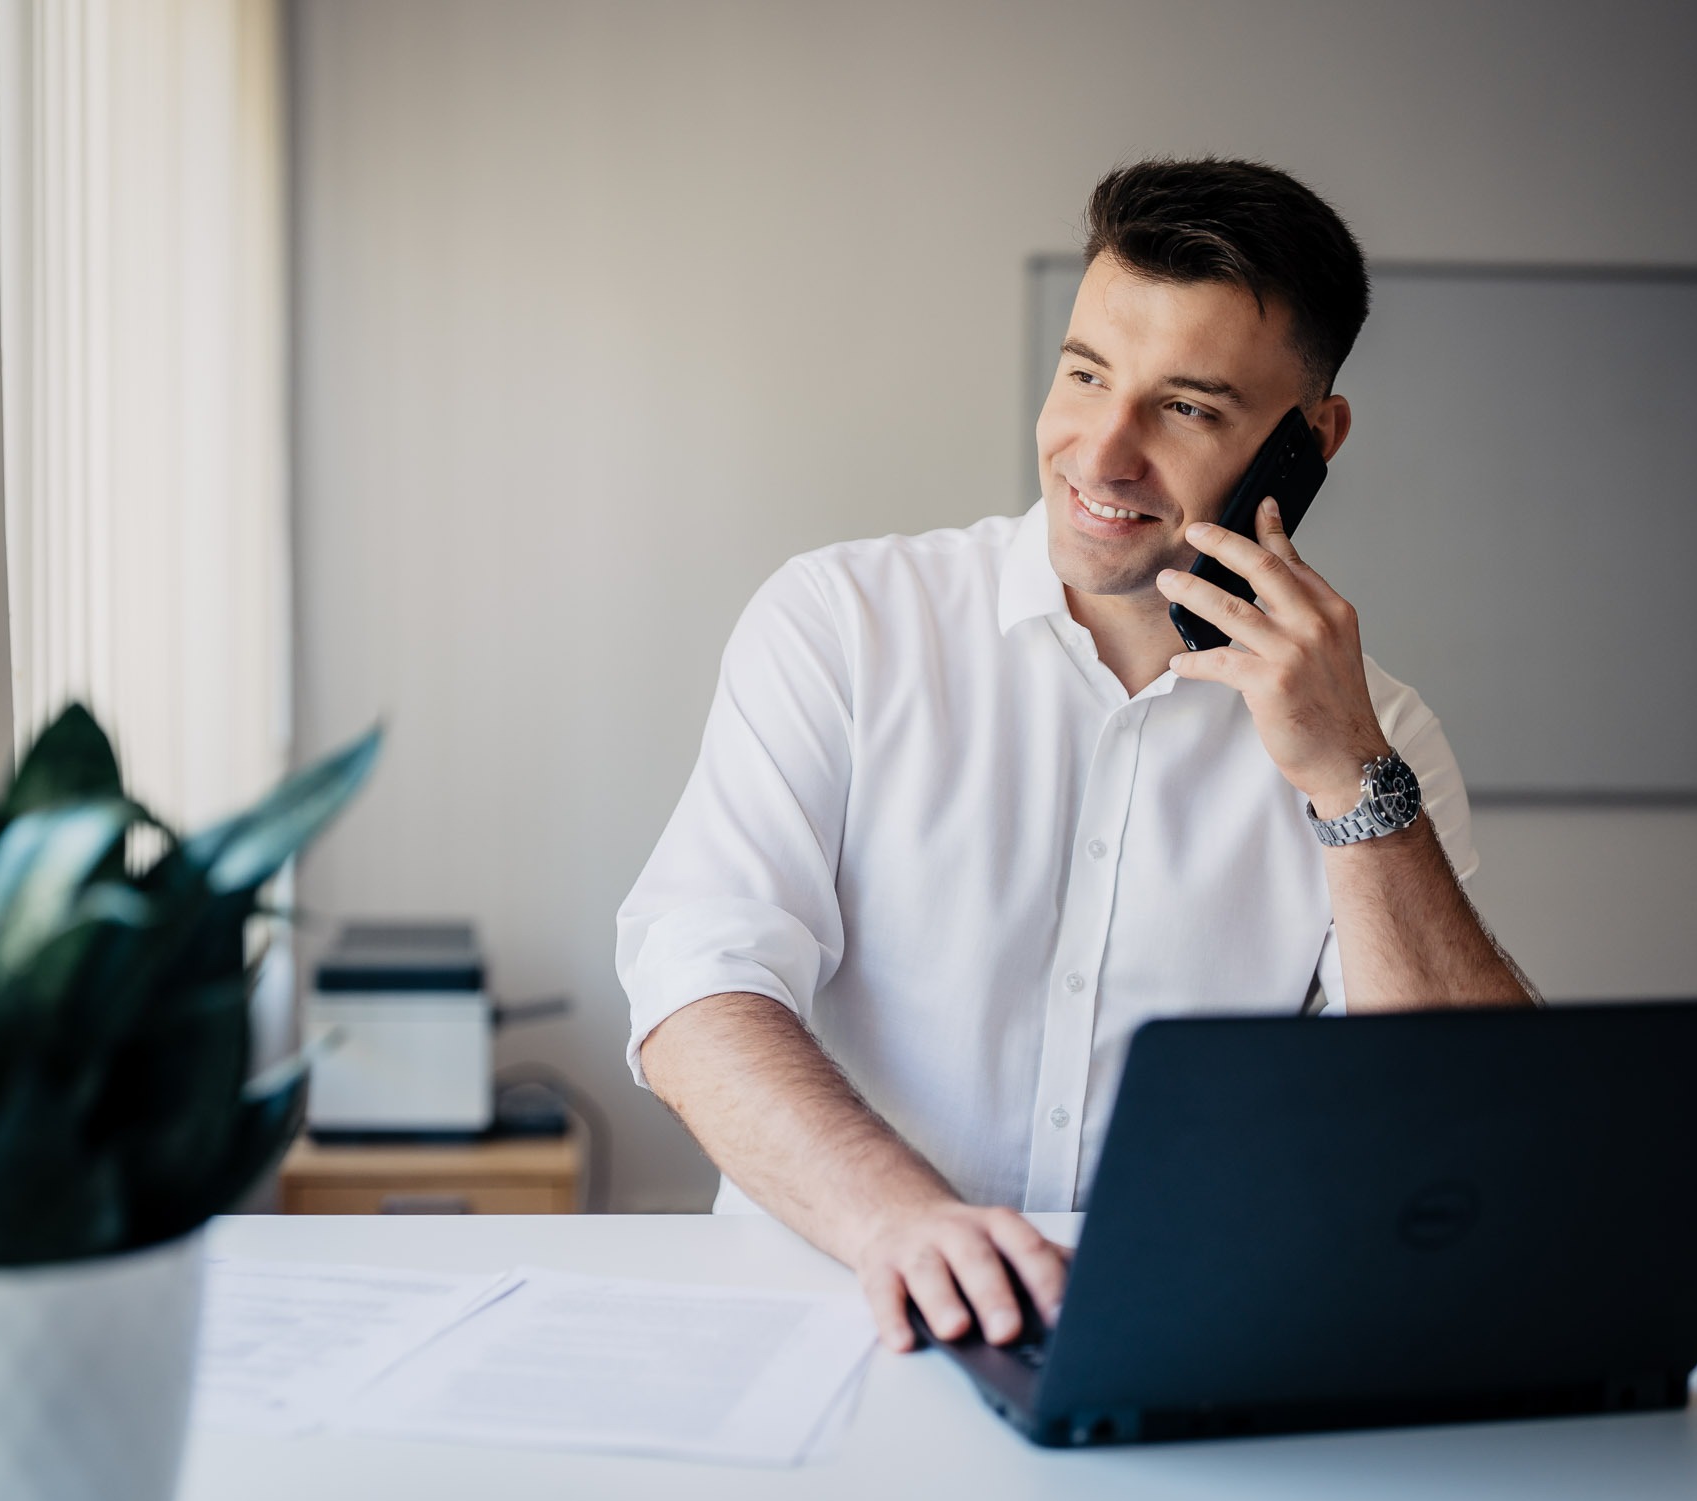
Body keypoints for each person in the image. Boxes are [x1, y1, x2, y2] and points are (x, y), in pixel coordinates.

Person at [616, 157, 1534, 1355]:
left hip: (1181, 1343)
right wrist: (907, 1221)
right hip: (832, 1322)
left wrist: (1347, 780)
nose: (1100, 454)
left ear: (1308, 443)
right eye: (1085, 373)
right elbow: (695, 984)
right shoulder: (841, 622)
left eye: (1187, 407)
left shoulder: (1382, 743)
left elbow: (1461, 1119)